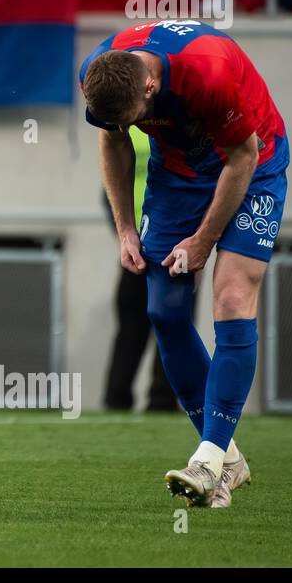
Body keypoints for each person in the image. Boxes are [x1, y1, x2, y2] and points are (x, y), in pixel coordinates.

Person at [81, 19, 290, 508]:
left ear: (150, 85)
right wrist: (125, 228)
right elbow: (112, 140)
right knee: (164, 312)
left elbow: (242, 156)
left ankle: (209, 456)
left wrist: (202, 242)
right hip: (176, 178)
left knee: (232, 296)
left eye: (133, 118)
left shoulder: (208, 72)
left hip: (253, 163)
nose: (124, 127)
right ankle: (229, 461)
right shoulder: (101, 74)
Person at [102, 127, 179, 413]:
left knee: (170, 326)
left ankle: (161, 400)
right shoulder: (126, 128)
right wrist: (124, 237)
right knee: (132, 326)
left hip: (171, 247)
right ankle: (117, 399)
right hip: (138, 248)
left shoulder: (171, 127)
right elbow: (108, 190)